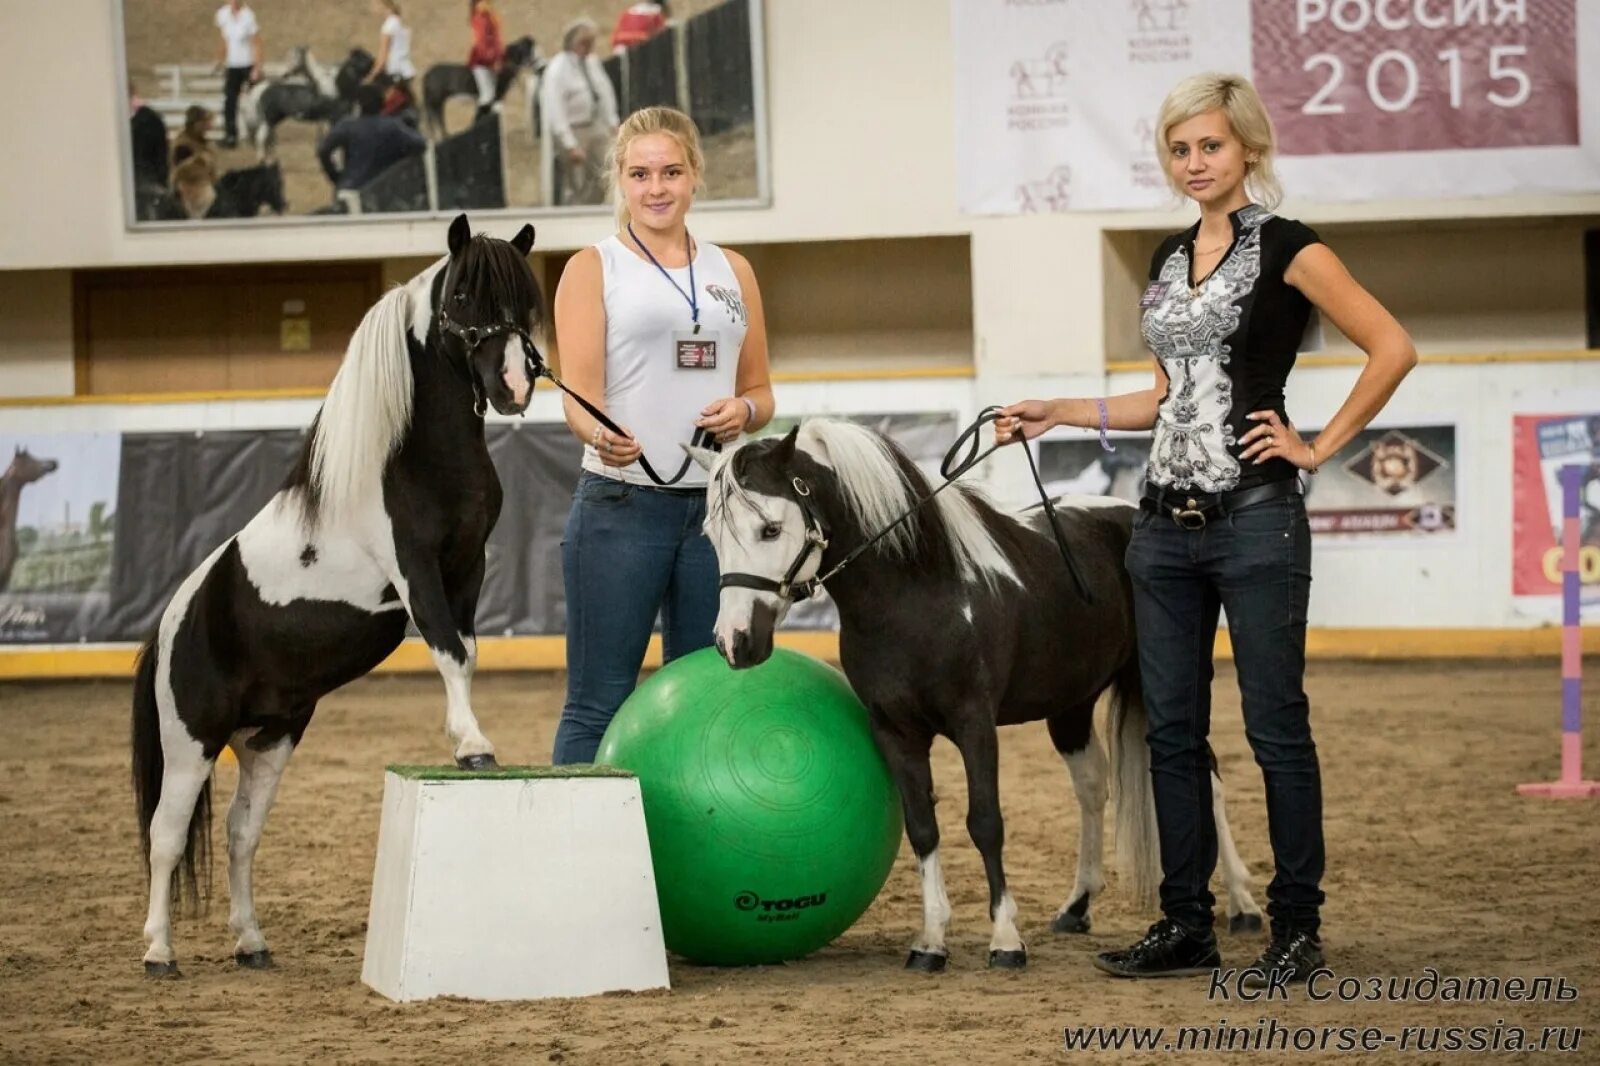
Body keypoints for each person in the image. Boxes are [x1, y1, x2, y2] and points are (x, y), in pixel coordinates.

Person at [996, 72, 1416, 985]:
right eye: (1180, 149)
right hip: (1161, 533)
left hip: (1257, 522)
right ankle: (1184, 922)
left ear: (1249, 150)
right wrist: (1059, 410)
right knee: (1172, 734)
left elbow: (1392, 346)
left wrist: (1319, 445)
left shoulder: (1291, 248)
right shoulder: (1164, 258)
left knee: (1276, 730)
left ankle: (1297, 930)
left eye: (1211, 147)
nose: (1195, 163)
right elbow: (1165, 396)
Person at [550, 106, 774, 764]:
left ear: (695, 176)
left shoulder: (735, 271)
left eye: (671, 171)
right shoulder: (593, 268)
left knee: (710, 695)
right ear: (619, 180)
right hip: (620, 508)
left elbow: (762, 391)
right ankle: (584, 858)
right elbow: (578, 399)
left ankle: (697, 856)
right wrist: (601, 431)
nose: (657, 188)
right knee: (599, 699)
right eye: (640, 173)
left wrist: (745, 411)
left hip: (717, 514)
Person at [540, 17, 620, 206]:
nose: (590, 47)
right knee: (578, 180)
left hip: (595, 125)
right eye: (586, 42)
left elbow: (605, 92)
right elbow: (555, 108)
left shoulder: (592, 63)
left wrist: (612, 121)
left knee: (607, 170)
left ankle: (595, 208)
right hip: (573, 129)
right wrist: (570, 144)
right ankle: (576, 212)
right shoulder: (558, 69)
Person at [316, 83, 426, 193]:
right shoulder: (393, 126)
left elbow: (323, 150)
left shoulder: (347, 125)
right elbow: (421, 144)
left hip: (350, 187)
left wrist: (335, 176)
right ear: (382, 104)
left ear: (358, 105)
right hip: (383, 191)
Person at [214, 0, 262, 149]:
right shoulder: (223, 15)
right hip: (232, 66)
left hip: (247, 64)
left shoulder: (248, 16)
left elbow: (257, 43)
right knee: (229, 101)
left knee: (254, 101)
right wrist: (220, 60)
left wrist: (257, 67)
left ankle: (258, 134)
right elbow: (224, 40)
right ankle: (230, 136)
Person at [367, 0, 417, 111]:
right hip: (406, 70)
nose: (372, 9)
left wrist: (370, 77)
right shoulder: (399, 21)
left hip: (395, 72)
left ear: (382, 5)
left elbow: (382, 59)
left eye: (374, 5)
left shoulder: (388, 27)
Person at [467, 0, 505, 120]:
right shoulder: (481, 16)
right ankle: (477, 124)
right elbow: (482, 43)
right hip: (482, 61)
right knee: (487, 96)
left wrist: (499, 57)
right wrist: (493, 60)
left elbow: (496, 39)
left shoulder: (489, 14)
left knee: (494, 96)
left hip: (491, 60)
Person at [169, 105, 218, 182]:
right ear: (196, 123)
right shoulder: (183, 146)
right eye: (205, 122)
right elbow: (182, 173)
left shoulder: (205, 143)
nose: (209, 126)